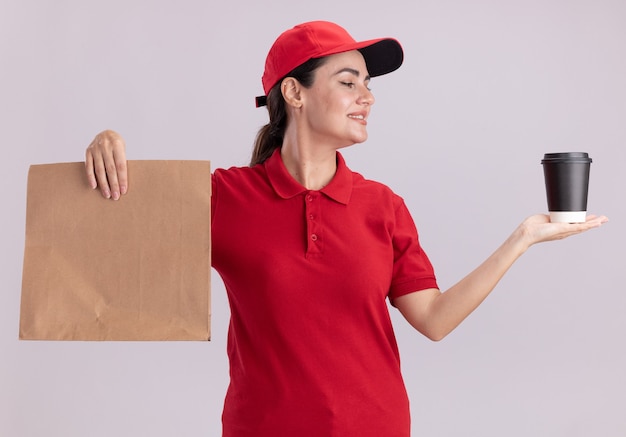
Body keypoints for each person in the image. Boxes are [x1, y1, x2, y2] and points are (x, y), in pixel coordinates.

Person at [83, 21, 607, 437]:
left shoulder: (382, 206)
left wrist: (523, 238)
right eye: (348, 81)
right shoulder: (223, 196)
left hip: (377, 429)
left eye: (368, 84)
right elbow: (113, 228)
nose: (367, 97)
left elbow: (435, 318)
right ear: (294, 92)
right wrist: (106, 139)